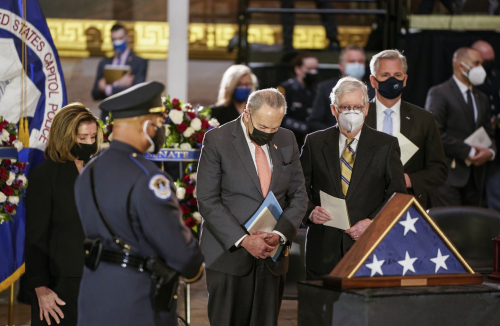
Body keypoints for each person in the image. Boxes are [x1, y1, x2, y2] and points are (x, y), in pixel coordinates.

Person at [74, 81, 204, 325]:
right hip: (137, 302)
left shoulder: (89, 171)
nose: (160, 130)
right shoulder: (149, 178)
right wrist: (194, 265)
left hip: (94, 295)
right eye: (158, 124)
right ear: (146, 125)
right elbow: (180, 252)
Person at [197, 88, 308, 326]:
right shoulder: (218, 140)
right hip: (228, 255)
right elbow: (207, 199)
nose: (268, 133)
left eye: (274, 127)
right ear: (247, 115)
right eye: (263, 127)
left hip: (272, 255)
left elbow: (299, 195)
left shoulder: (287, 139)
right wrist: (245, 240)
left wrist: (278, 235)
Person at [300, 76, 407, 280]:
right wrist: (310, 212)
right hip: (323, 250)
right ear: (334, 110)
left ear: (366, 109)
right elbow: (298, 189)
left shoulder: (386, 145)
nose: (352, 112)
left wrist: (372, 222)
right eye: (345, 107)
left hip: (368, 249)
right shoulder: (314, 142)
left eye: (357, 107)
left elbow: (398, 195)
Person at [25, 103, 102, 326]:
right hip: (59, 287)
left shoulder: (100, 171)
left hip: (100, 279)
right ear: (65, 137)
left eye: (93, 137)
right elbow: (35, 238)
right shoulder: (45, 176)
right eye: (82, 138)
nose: (89, 143)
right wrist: (41, 288)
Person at [364, 49, 448, 208]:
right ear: (373, 80)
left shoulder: (424, 119)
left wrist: (409, 179)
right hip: (364, 206)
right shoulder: (360, 115)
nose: (392, 80)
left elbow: (439, 170)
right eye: (385, 75)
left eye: (397, 75)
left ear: (405, 79)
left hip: (408, 206)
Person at [425, 47, 496, 207]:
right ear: (461, 66)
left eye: (482, 64)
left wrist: (490, 152)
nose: (481, 68)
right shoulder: (439, 93)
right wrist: (469, 151)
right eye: (476, 63)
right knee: (449, 229)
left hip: (475, 178)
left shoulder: (481, 98)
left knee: (471, 229)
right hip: (448, 178)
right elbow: (434, 133)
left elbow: (488, 133)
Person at [309, 45, 376, 132]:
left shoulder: (374, 89)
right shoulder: (325, 88)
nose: (356, 65)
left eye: (360, 61)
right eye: (352, 61)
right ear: (341, 65)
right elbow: (314, 122)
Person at [91, 23, 148, 118]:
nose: (117, 42)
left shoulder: (139, 62)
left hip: (128, 116)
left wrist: (108, 88)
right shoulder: (104, 63)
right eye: (114, 39)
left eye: (120, 38)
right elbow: (95, 93)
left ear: (127, 38)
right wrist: (118, 84)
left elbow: (137, 92)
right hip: (107, 117)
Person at [472, 40, 500, 212]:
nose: (488, 65)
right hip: (470, 145)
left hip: (494, 145)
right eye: (485, 61)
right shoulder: (469, 79)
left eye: (492, 61)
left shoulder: (495, 76)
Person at [278, 51, 318, 147]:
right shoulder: (285, 89)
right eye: (309, 69)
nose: (313, 72)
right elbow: (280, 118)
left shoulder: (316, 90)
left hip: (310, 142)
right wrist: (305, 128)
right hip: (290, 140)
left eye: (315, 69)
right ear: (298, 69)